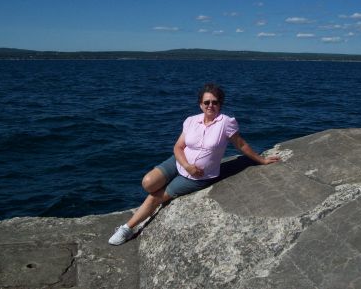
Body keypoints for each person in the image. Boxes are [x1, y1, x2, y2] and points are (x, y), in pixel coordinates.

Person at [109, 83, 280, 245]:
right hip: (179, 161)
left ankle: (127, 228)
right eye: (207, 102)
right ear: (200, 104)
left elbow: (241, 144)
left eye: (215, 102)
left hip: (198, 176)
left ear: (220, 104)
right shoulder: (191, 121)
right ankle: (150, 202)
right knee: (148, 183)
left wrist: (261, 160)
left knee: (155, 196)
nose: (210, 105)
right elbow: (178, 147)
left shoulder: (226, 123)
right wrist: (186, 165)